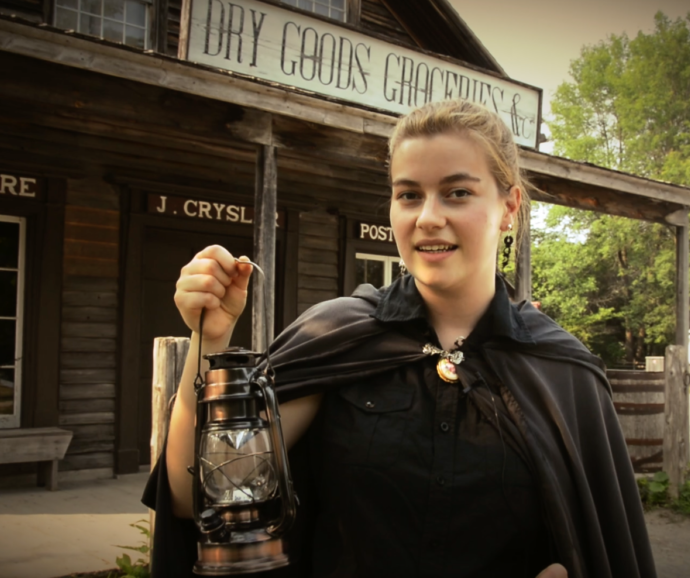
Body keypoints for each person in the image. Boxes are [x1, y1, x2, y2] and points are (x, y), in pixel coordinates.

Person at [143, 100, 656, 578]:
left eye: (457, 192)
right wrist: (208, 342)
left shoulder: (562, 370)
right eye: (409, 194)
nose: (428, 217)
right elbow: (197, 498)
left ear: (509, 207)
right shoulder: (334, 336)